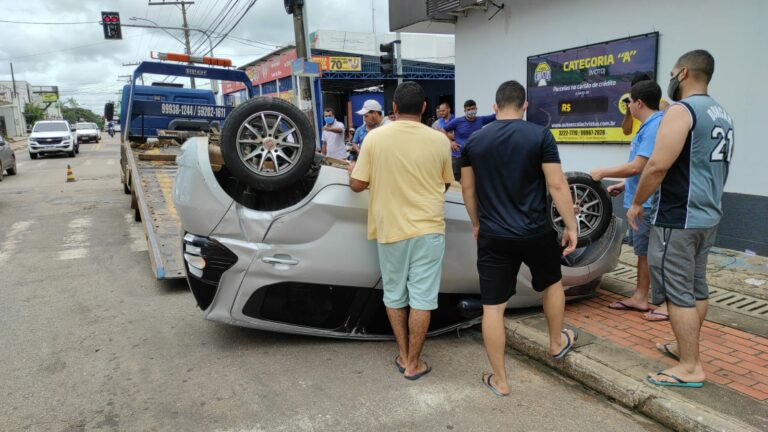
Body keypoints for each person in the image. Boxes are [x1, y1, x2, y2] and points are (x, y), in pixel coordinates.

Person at [460, 80, 579, 396]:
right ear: (525, 106)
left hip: (494, 234)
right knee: (552, 284)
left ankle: (500, 381)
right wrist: (571, 226)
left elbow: (468, 190)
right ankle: (555, 344)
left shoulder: (474, 141)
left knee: (493, 308)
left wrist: (476, 223)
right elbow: (556, 185)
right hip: (535, 231)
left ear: (494, 107)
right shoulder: (540, 135)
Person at [627, 50, 733, 388]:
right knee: (697, 287)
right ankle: (683, 347)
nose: (671, 79)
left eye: (673, 73)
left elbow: (656, 165)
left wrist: (637, 202)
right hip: (707, 216)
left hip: (678, 218)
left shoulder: (682, 111)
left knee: (677, 293)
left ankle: (690, 366)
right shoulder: (721, 113)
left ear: (683, 73)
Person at [348, 81, 453, 380]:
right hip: (430, 228)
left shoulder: (375, 138)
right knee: (422, 298)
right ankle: (414, 364)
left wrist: (350, 174)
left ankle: (405, 355)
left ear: (393, 108)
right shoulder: (439, 140)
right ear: (423, 108)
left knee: (394, 294)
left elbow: (357, 184)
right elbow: (444, 184)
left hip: (391, 228)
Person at [591, 81, 669, 321]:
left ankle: (667, 303)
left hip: (647, 203)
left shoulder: (655, 126)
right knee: (644, 253)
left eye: (629, 101)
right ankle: (640, 297)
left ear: (639, 102)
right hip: (639, 198)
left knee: (657, 254)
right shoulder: (648, 126)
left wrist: (603, 173)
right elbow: (645, 167)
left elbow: (639, 166)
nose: (628, 106)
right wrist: (624, 185)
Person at [444, 99, 495, 181]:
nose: (471, 111)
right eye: (469, 109)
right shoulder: (457, 121)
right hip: (458, 157)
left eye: (473, 108)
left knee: (473, 181)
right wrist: (450, 142)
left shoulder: (481, 120)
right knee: (456, 182)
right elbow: (443, 130)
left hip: (474, 157)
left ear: (476, 109)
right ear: (465, 110)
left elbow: (496, 116)